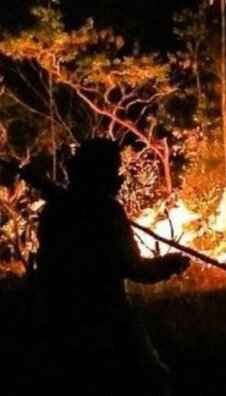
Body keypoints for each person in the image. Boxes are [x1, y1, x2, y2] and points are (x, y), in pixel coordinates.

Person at [30, 139, 190, 394]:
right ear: (100, 172)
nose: (118, 177)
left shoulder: (55, 209)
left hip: (58, 316)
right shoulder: (105, 211)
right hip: (106, 317)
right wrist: (171, 264)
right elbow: (133, 268)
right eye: (113, 169)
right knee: (150, 380)